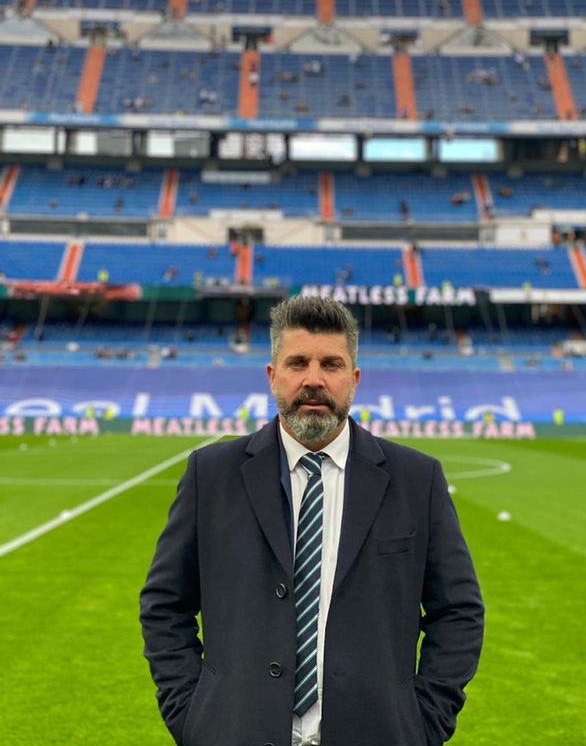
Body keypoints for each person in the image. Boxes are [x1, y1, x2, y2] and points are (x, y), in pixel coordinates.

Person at [140, 296, 484, 746]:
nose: (314, 379)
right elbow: (165, 604)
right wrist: (194, 714)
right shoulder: (212, 474)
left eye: (332, 364)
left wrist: (423, 723)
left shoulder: (416, 481)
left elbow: (458, 612)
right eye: (298, 362)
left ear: (354, 379)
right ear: (272, 376)